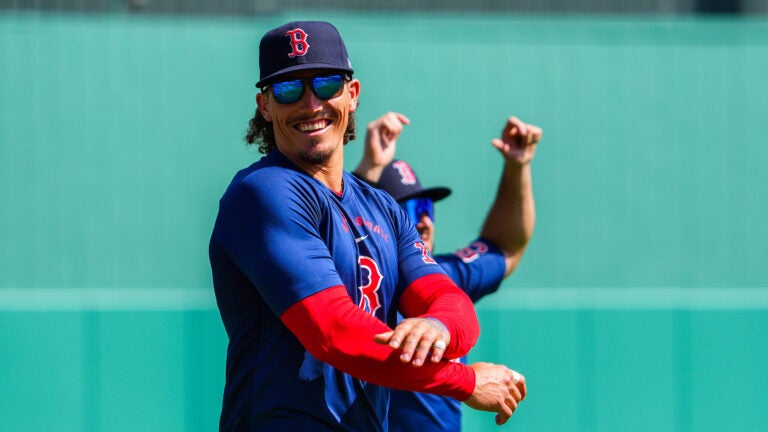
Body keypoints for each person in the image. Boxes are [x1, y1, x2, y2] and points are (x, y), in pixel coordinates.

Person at [209, 21, 527, 431]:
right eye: (288, 89)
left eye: (325, 85)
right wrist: (465, 381)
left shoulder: (384, 208)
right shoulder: (264, 191)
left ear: (352, 94)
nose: (310, 104)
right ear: (265, 106)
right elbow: (333, 332)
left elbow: (449, 299)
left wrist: (438, 326)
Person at [353, 112, 542, 431]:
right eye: (409, 210)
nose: (423, 221)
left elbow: (506, 246)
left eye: (427, 208)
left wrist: (517, 167)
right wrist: (469, 379)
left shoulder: (443, 277)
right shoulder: (352, 284)